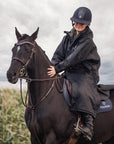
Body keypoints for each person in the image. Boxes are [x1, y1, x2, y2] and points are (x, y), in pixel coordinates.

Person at [47, 7, 101, 141]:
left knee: (80, 89)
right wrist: (52, 66)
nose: (78, 25)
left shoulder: (88, 41)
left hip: (86, 73)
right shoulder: (67, 38)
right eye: (76, 22)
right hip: (70, 71)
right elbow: (58, 54)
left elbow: (73, 58)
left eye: (81, 23)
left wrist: (58, 68)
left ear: (87, 24)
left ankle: (88, 126)